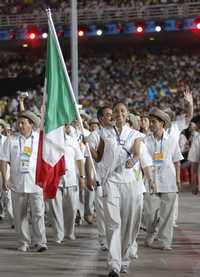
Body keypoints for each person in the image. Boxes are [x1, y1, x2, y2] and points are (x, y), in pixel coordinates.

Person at [94, 102, 154, 277]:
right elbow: (98, 156)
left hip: (131, 182)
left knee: (129, 225)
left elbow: (136, 152)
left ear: (127, 114)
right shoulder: (104, 133)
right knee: (114, 223)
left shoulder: (135, 134)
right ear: (112, 114)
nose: (119, 113)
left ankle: (124, 259)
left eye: (122, 111)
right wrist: (88, 147)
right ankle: (114, 265)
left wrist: (134, 159)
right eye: (116, 111)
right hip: (111, 181)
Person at [0, 111, 47, 252]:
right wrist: (4, 179)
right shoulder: (11, 140)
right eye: (18, 123)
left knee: (38, 213)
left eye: (23, 123)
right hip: (17, 183)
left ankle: (40, 242)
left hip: (36, 183)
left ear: (31, 124)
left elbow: (46, 160)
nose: (20, 125)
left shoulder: (39, 139)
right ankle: (23, 242)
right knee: (20, 216)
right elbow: (3, 160)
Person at [144, 108, 183, 250]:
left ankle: (165, 241)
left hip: (169, 181)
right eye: (150, 122)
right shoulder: (145, 140)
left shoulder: (172, 140)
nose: (151, 124)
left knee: (167, 214)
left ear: (162, 123)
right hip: (150, 182)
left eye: (154, 122)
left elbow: (177, 160)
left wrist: (178, 180)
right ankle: (150, 232)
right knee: (149, 213)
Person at [48, 124, 85, 243]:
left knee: (72, 208)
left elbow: (79, 159)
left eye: (63, 125)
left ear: (66, 127)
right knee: (55, 209)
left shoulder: (72, 141)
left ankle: (69, 231)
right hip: (54, 180)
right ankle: (58, 235)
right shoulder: (49, 141)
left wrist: (82, 177)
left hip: (71, 179)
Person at [86, 106, 113, 251]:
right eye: (108, 115)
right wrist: (89, 177)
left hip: (116, 180)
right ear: (101, 118)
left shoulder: (116, 134)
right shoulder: (94, 136)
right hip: (100, 180)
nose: (112, 117)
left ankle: (114, 238)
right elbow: (89, 159)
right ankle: (103, 238)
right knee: (102, 212)